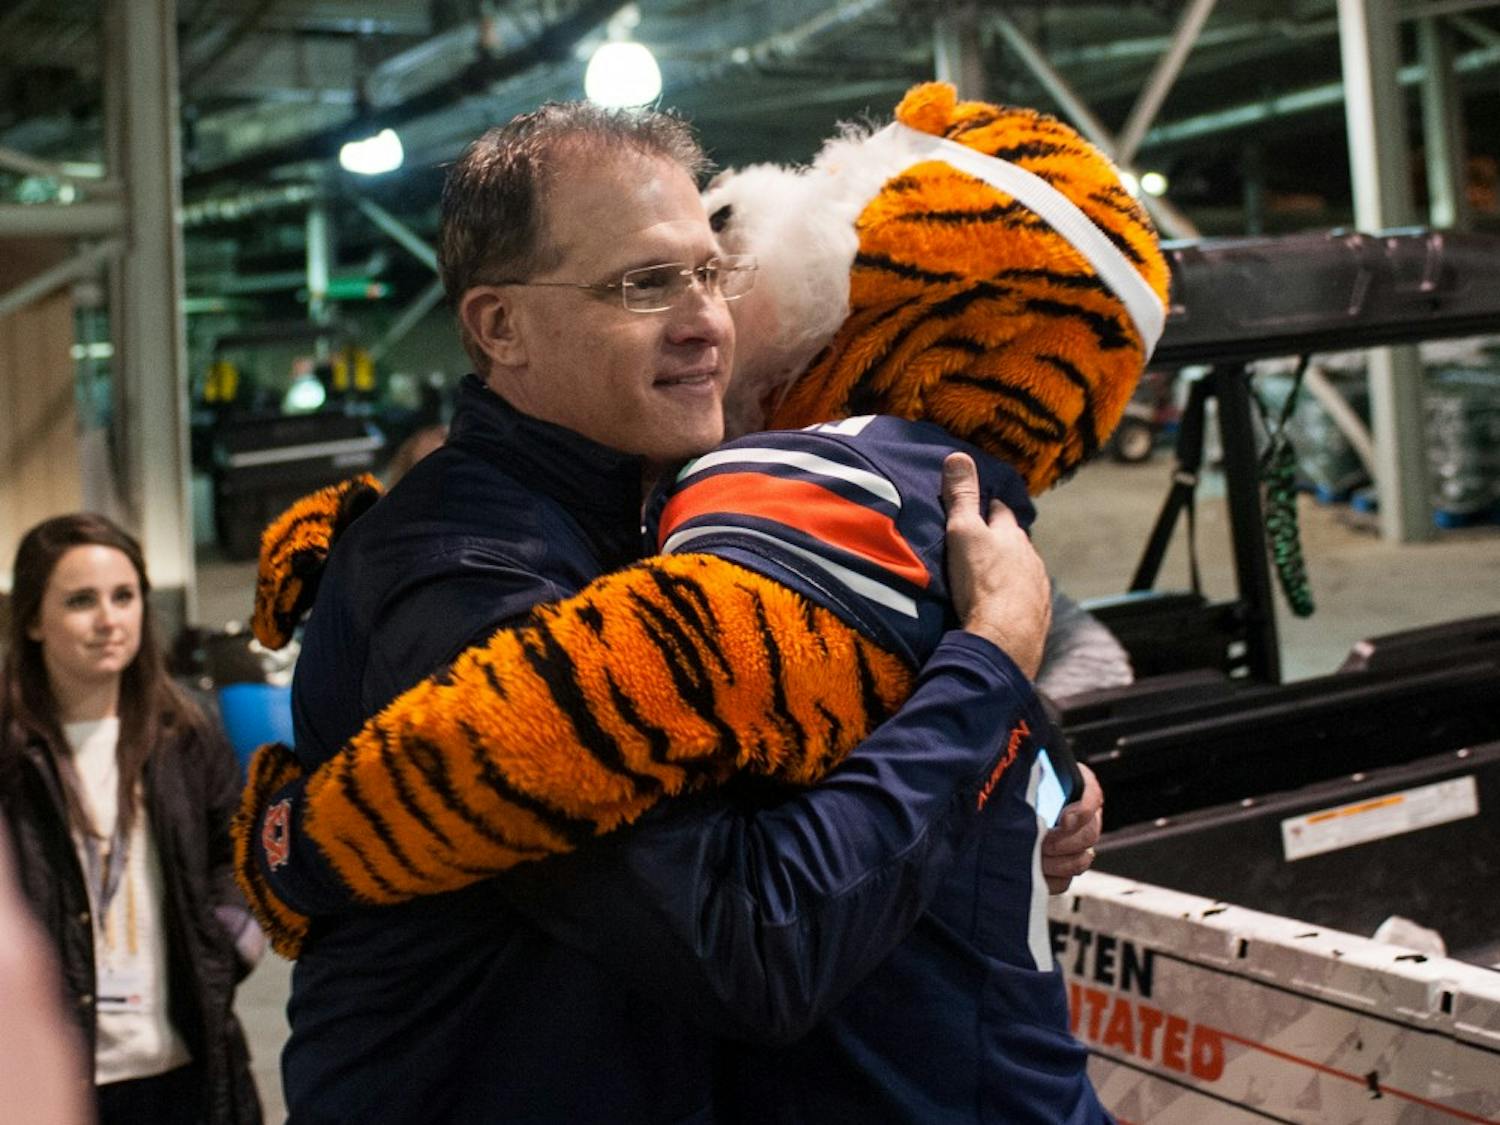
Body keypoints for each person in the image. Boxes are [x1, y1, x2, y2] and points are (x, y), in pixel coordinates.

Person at [245, 100, 1093, 1123]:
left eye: (711, 271)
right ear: (499, 325)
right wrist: (986, 671)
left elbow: (797, 720)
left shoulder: (651, 513)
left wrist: (1020, 778)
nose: (706, 323)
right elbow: (756, 947)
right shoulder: (464, 579)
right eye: (645, 284)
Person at [0, 513, 264, 1124]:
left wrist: (223, 953)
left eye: (124, 596)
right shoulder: (11, 753)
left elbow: (239, 855)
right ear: (35, 621)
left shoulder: (188, 733)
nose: (109, 620)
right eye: (80, 601)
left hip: (187, 1061)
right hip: (58, 1072)